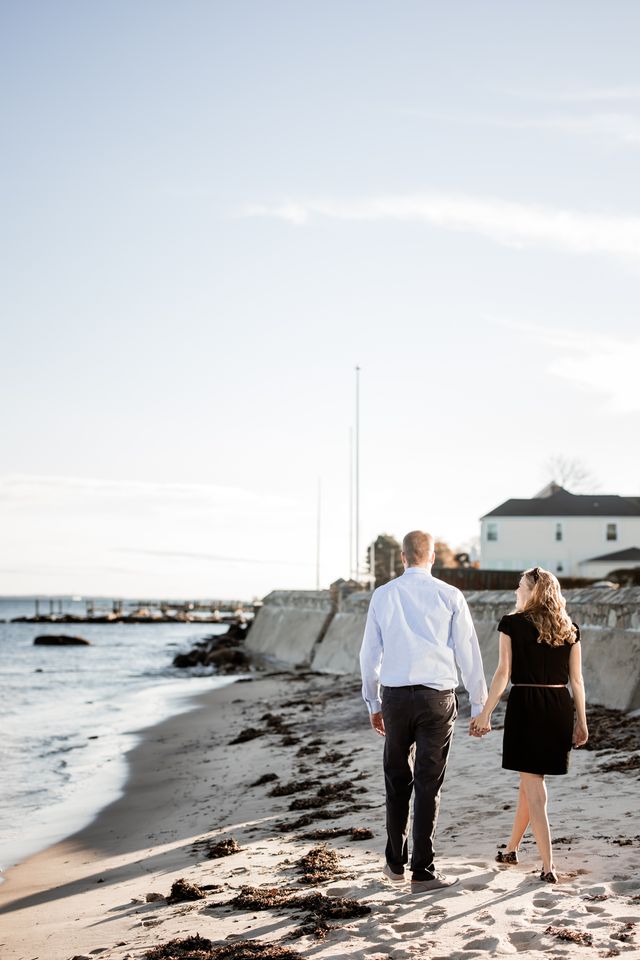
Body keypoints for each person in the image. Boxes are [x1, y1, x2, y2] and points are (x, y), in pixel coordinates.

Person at [360, 530, 488, 892]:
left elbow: (369, 654)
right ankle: (423, 871)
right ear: (432, 557)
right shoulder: (450, 595)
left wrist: (373, 702)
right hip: (437, 699)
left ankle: (394, 864)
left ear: (403, 558)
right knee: (429, 784)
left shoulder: (383, 595)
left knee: (396, 780)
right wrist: (479, 704)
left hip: (395, 699)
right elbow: (468, 651)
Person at [470, 566, 588, 884]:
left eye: (520, 585)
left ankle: (548, 866)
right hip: (559, 706)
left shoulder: (511, 623)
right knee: (529, 781)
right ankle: (511, 850)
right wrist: (581, 721)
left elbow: (502, 673)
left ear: (533, 591)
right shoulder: (569, 628)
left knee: (534, 787)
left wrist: (485, 713)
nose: (516, 590)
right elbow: (577, 681)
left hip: (527, 707)